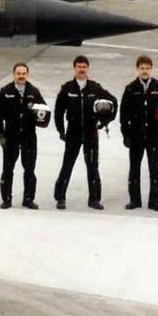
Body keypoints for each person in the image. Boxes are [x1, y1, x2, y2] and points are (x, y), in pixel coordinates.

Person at [53, 55, 118, 210]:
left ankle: (94, 199)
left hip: (90, 132)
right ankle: (60, 197)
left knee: (92, 166)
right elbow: (58, 111)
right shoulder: (67, 88)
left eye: (84, 67)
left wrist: (105, 121)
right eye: (79, 67)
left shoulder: (95, 88)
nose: (81, 70)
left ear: (87, 68)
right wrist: (61, 130)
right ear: (74, 68)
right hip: (73, 132)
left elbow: (113, 102)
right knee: (67, 165)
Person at [119, 55, 158, 211]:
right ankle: (135, 200)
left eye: (147, 68)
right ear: (137, 69)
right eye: (142, 68)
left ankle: (154, 201)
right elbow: (123, 113)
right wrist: (125, 134)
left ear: (151, 69)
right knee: (134, 169)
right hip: (136, 135)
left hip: (154, 135)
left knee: (155, 169)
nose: (145, 71)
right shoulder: (131, 88)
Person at [0, 62, 49, 209]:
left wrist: (42, 120)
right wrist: (1, 134)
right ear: (14, 74)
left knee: (29, 168)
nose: (21, 76)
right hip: (11, 136)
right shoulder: (5, 91)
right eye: (18, 73)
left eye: (24, 73)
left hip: (28, 136)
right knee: (8, 168)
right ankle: (6, 199)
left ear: (27, 74)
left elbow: (44, 110)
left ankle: (28, 199)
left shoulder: (34, 92)